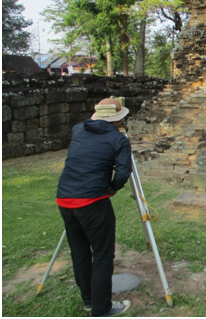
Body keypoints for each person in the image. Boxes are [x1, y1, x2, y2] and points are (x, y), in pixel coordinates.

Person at [56, 98, 133, 317]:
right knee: (102, 255)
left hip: (64, 199)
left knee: (80, 253)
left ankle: (89, 301)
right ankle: (102, 309)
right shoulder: (118, 139)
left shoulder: (78, 130)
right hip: (92, 203)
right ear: (117, 119)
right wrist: (113, 188)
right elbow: (122, 173)